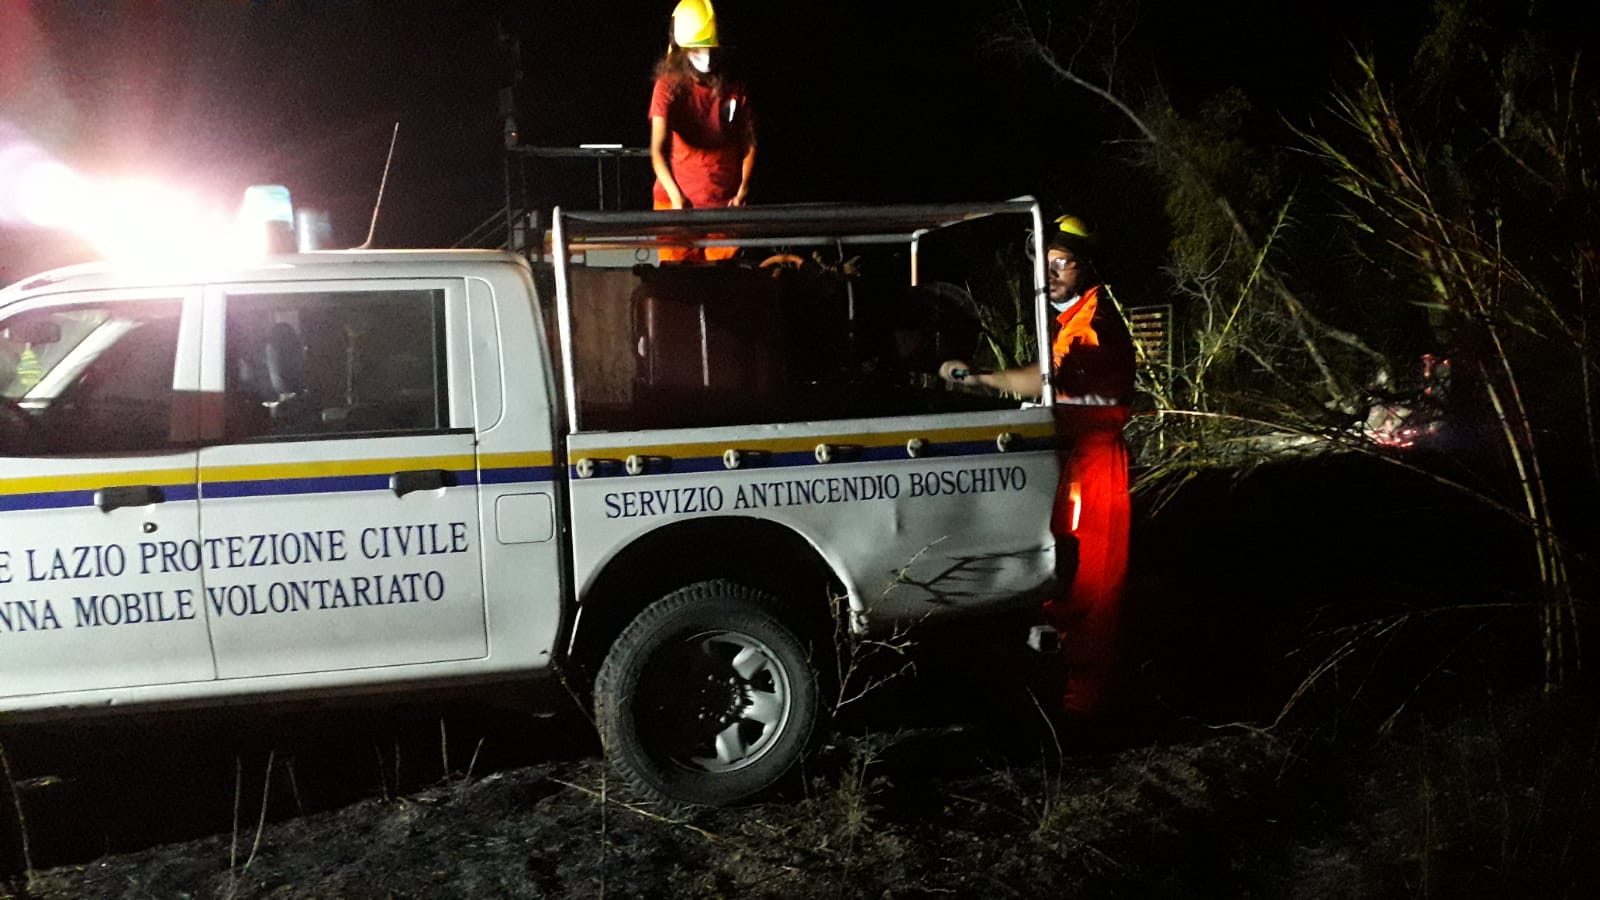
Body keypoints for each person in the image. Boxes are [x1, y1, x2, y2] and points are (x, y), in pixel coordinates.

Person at [939, 215, 1136, 722]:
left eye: (1062, 263)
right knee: (1063, 575)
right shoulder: (1067, 317)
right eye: (1043, 263)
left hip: (1092, 464)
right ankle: (1062, 691)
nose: (1049, 273)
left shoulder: (1093, 323)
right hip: (1069, 457)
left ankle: (1085, 707)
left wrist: (980, 379)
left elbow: (1052, 380)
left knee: (1090, 584)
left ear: (1087, 265)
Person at [649, 0, 756, 262]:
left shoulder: (735, 88)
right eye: (697, 47)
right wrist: (677, 197)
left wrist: (743, 190)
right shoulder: (668, 87)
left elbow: (749, 143)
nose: (704, 53)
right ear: (682, 49)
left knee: (721, 286)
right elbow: (657, 150)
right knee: (678, 287)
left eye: (709, 46)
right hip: (674, 206)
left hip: (725, 206)